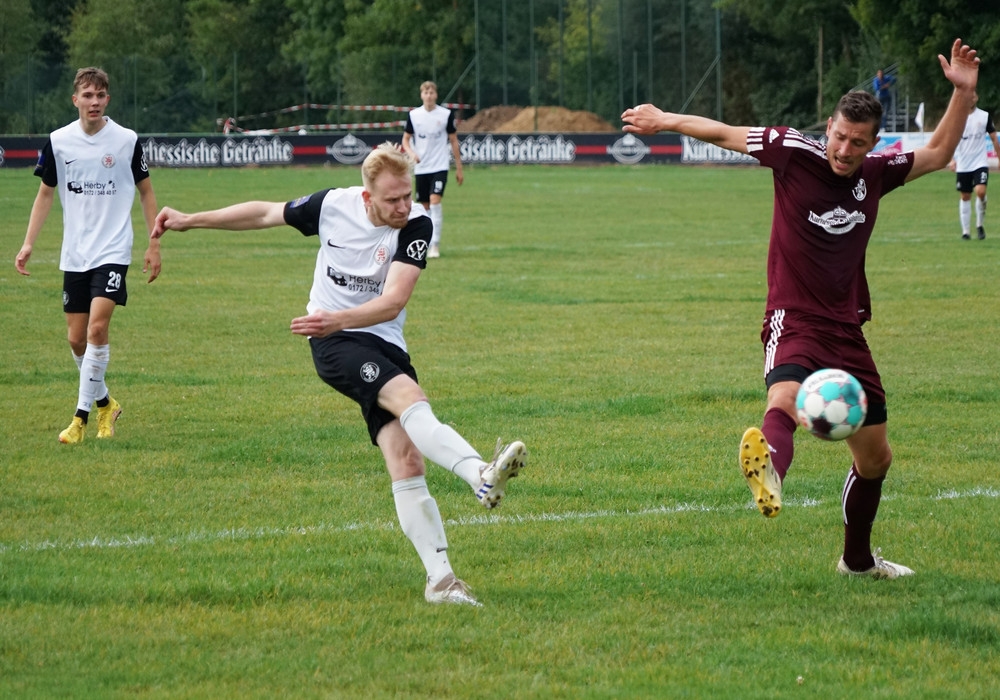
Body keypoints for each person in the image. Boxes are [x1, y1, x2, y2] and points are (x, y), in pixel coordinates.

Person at [622, 38, 980, 579]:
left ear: (873, 143)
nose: (845, 149)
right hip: (793, 316)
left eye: (857, 142)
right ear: (828, 128)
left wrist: (963, 93)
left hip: (847, 329)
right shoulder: (793, 151)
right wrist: (664, 119)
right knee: (785, 397)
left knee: (876, 458)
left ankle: (857, 561)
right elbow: (723, 132)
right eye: (840, 136)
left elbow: (936, 152)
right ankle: (769, 471)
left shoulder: (876, 174)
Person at [151, 142, 526, 606]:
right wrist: (189, 219)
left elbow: (393, 302)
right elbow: (265, 213)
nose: (403, 206)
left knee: (406, 460)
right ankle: (478, 473)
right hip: (333, 343)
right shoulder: (331, 205)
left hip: (380, 340)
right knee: (411, 400)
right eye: (392, 199)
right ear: (367, 197)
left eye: (407, 195)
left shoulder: (417, 224)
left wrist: (338, 318)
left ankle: (440, 583)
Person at [16, 66, 161, 444]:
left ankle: (79, 419)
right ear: (75, 99)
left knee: (98, 329)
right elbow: (45, 194)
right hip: (76, 253)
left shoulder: (126, 140)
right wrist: (29, 243)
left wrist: (153, 242)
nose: (94, 102)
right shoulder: (58, 141)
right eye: (87, 95)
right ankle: (106, 404)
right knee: (77, 339)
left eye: (100, 95)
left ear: (107, 99)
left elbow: (146, 192)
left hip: (113, 249)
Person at [401, 80, 464, 259]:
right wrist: (411, 154)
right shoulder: (414, 115)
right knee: (424, 207)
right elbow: (405, 140)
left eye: (431, 93)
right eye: (425, 93)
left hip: (439, 166)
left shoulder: (445, 115)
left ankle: (435, 244)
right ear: (421, 95)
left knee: (435, 201)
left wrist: (459, 168)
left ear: (436, 95)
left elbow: (453, 140)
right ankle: (426, 242)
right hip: (421, 168)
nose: (428, 96)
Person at [951, 92, 1000, 240]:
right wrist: (952, 159)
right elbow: (950, 140)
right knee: (965, 196)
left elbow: (994, 138)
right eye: (969, 96)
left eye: (973, 96)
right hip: (963, 163)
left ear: (977, 98)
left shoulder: (984, 116)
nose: (971, 98)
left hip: (980, 162)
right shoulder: (957, 117)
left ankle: (979, 225)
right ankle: (966, 232)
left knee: (980, 191)